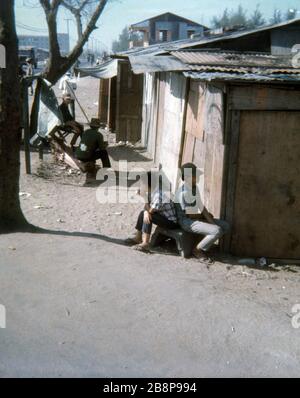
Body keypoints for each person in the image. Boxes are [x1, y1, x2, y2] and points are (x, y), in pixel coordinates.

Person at [175, 163, 230, 262]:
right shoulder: (183, 192)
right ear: (187, 177)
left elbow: (201, 207)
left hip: (195, 218)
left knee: (225, 226)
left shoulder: (194, 188)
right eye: (195, 175)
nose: (197, 177)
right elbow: (190, 214)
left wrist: (210, 220)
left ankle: (202, 244)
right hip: (187, 222)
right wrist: (204, 219)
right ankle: (197, 250)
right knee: (216, 230)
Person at [128, 172, 179, 252]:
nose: (140, 186)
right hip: (162, 215)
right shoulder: (153, 190)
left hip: (171, 222)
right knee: (144, 213)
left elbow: (150, 211)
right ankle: (138, 237)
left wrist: (144, 197)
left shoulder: (159, 194)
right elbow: (148, 209)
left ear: (147, 184)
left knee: (148, 216)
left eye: (141, 184)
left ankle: (145, 243)